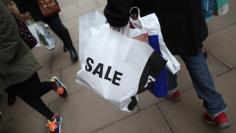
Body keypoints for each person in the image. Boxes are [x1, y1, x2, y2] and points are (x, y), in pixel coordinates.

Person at [104, 0, 230, 129]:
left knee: (161, 56)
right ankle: (217, 110)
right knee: (195, 58)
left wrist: (114, 18)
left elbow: (118, 10)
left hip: (155, 21)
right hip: (187, 16)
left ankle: (171, 89)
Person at [0, 1, 67, 132]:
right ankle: (53, 118)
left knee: (35, 91)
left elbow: (9, 26)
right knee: (26, 96)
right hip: (2, 71)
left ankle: (54, 84)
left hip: (13, 57)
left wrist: (3, 55)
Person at [13, 0, 78, 62]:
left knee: (58, 26)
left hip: (46, 3)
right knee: (53, 26)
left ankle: (71, 48)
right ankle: (65, 42)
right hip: (34, 9)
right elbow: (21, 7)